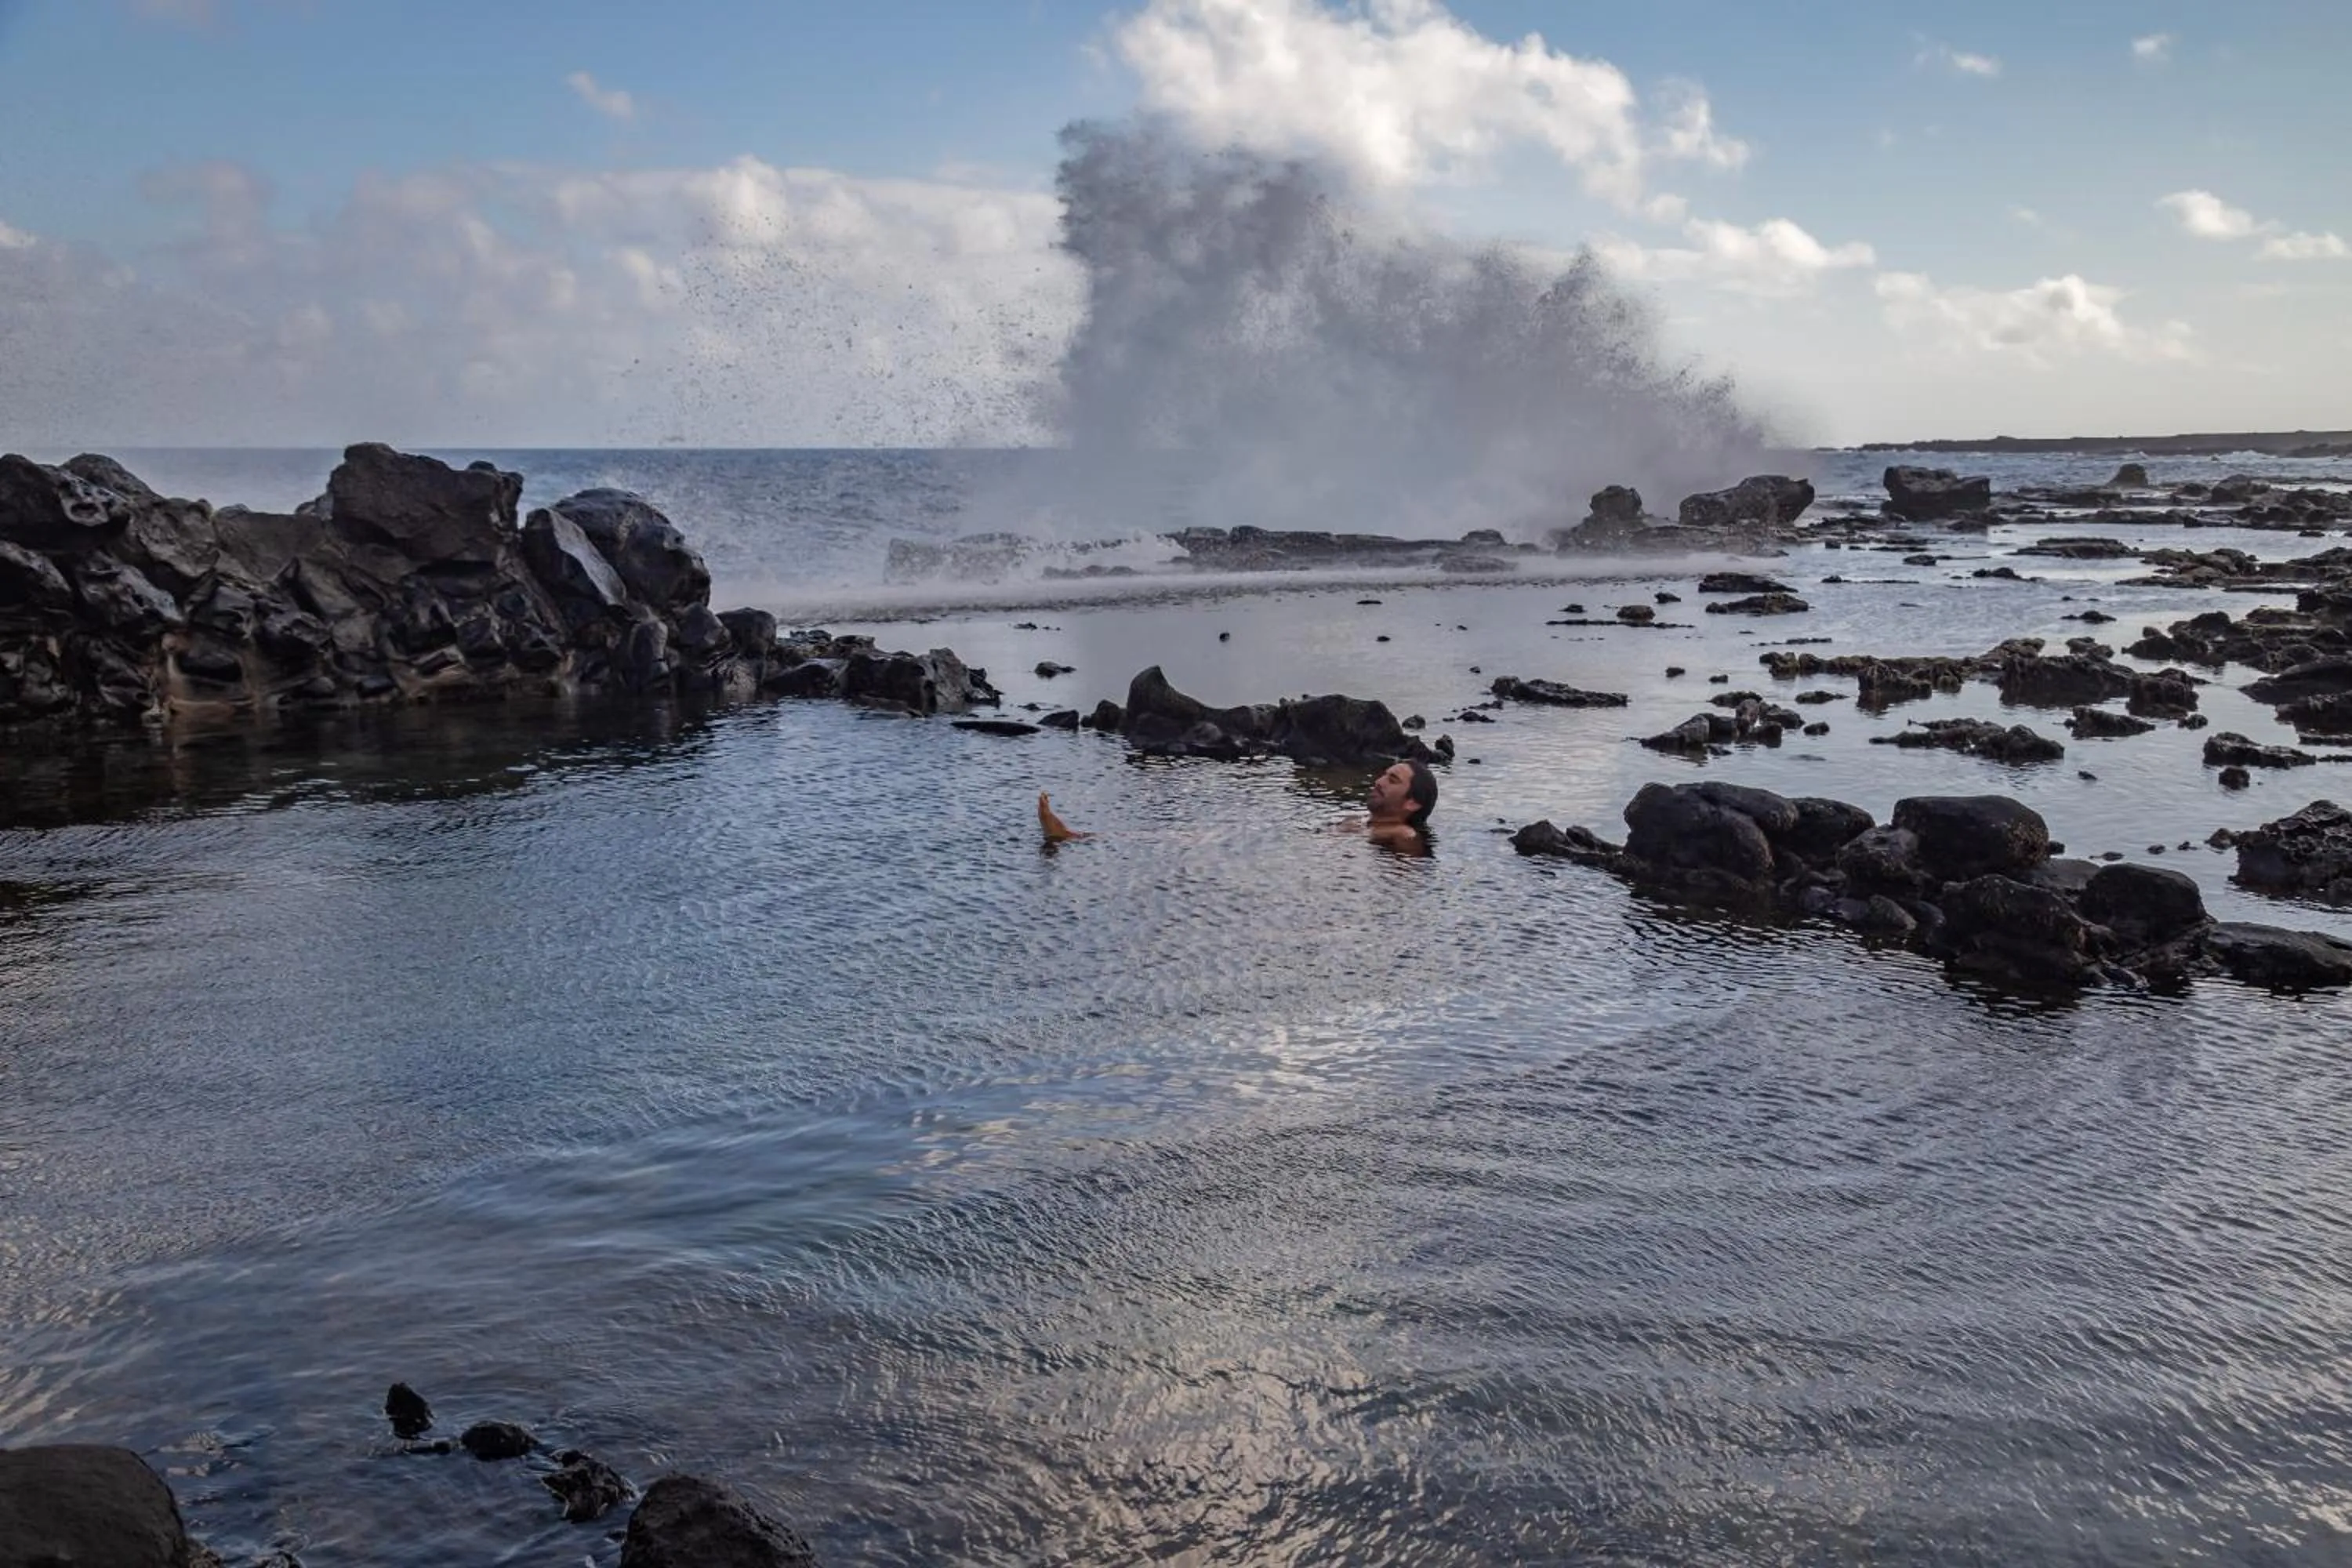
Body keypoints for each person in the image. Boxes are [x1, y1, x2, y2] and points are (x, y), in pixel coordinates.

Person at [1037, 757, 1437, 851]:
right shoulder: (1362, 822)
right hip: (1287, 846)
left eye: (1393, 780)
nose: (1379, 780)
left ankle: (1075, 837)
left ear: (1412, 803)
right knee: (1197, 836)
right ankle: (1079, 836)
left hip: (1292, 857)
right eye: (1384, 774)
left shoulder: (1401, 835)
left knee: (1202, 840)